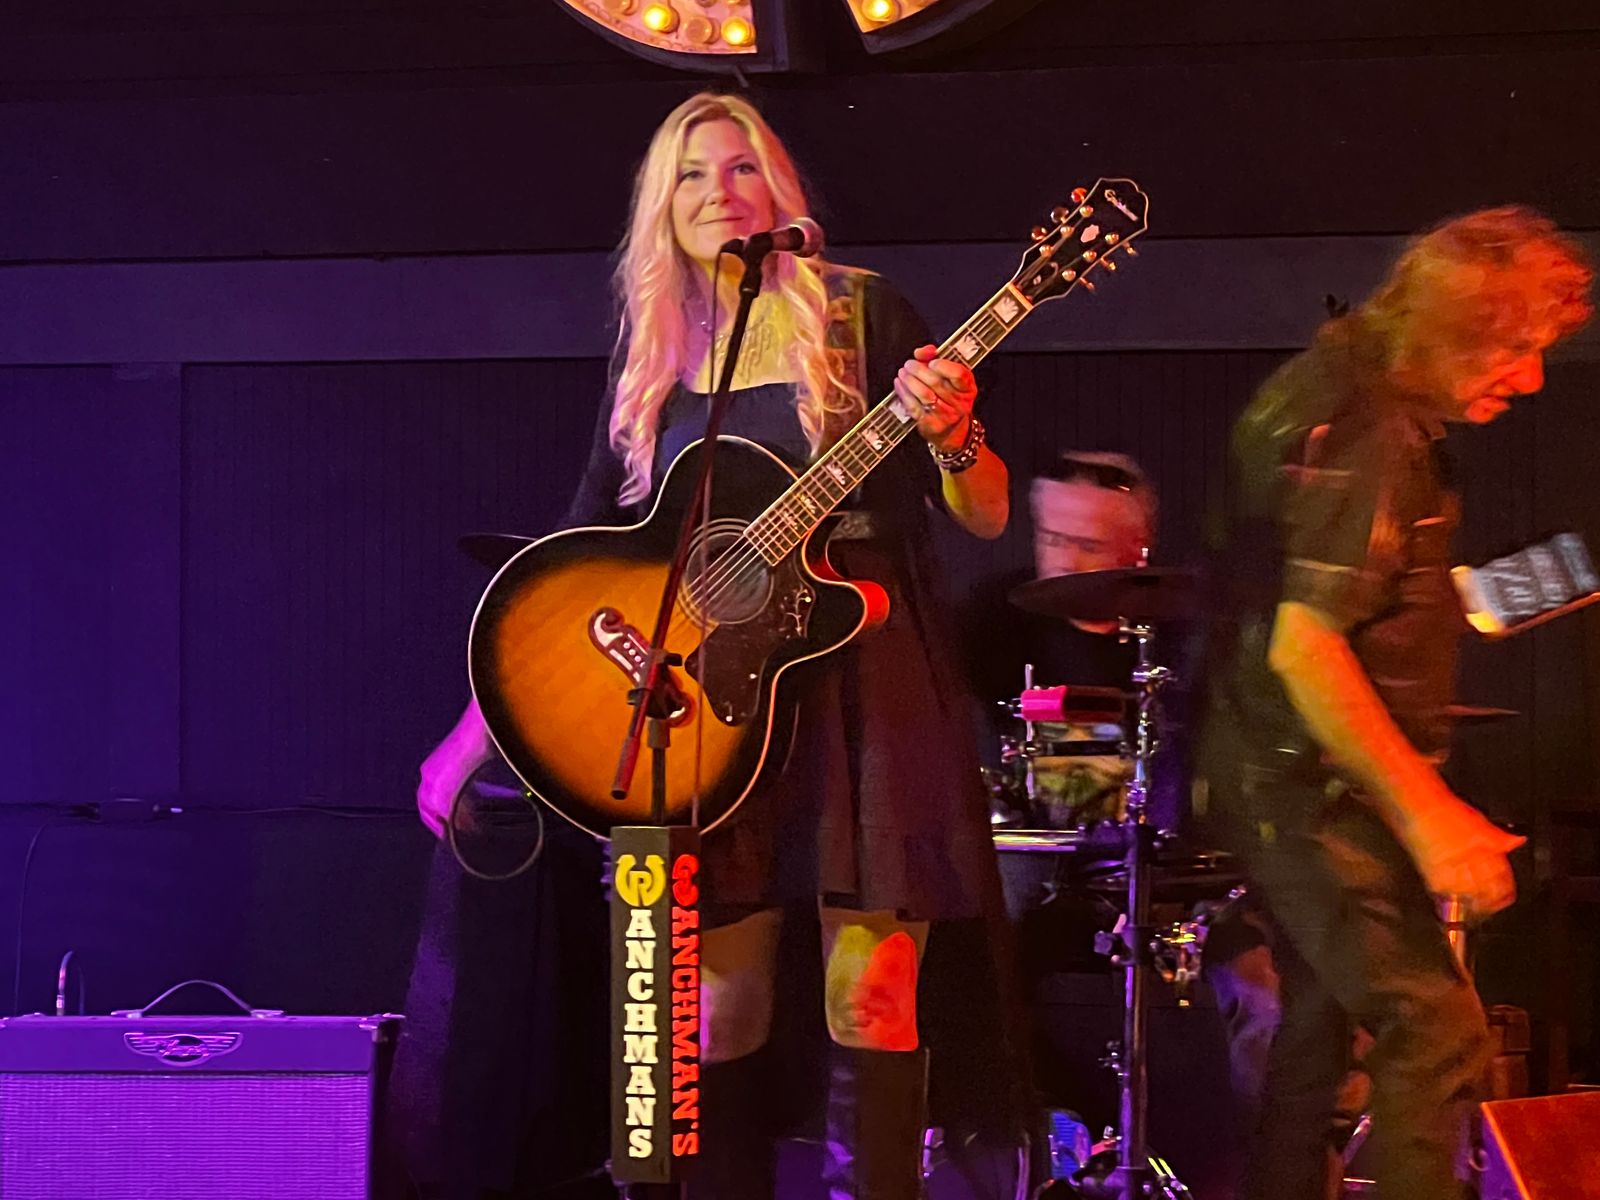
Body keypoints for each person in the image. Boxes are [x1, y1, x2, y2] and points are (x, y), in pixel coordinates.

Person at [405, 90, 1021, 1200]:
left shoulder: (861, 313)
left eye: (740, 168)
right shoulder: (656, 357)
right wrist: (472, 736)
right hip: (708, 700)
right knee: (716, 1007)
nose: (718, 192)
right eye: (690, 174)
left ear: (775, 190)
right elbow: (574, 555)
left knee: (871, 995)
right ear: (663, 205)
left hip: (862, 684)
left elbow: (985, 513)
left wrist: (953, 432)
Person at [1195, 206, 1593, 1199]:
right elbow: (1306, 646)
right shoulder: (1369, 429)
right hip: (1312, 792)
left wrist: (1558, 577)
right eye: (1513, 351)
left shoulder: (1339, 393)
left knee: (1315, 1035)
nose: (1531, 379)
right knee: (1437, 1031)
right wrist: (1430, 817)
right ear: (1450, 332)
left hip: (1282, 779)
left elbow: (1375, 602)